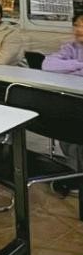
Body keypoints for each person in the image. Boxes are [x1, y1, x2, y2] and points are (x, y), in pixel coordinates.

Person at [42, 14, 83, 194]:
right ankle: (74, 173)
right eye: (76, 25)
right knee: (65, 124)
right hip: (73, 101)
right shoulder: (71, 47)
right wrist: (79, 64)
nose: (79, 30)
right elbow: (47, 65)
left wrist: (68, 69)